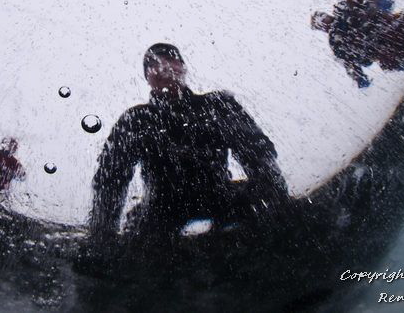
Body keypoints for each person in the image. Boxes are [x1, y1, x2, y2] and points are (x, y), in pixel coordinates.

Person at [88, 44, 290, 239]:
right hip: (160, 207)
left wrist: (279, 201)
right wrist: (102, 235)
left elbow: (257, 151)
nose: (162, 66)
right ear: (147, 78)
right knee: (137, 228)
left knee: (265, 201)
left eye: (170, 59)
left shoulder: (217, 105)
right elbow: (110, 178)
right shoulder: (136, 119)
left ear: (183, 68)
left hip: (218, 194)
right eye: (152, 64)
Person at [311, 0, 404, 88]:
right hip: (379, 48)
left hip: (387, 29)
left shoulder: (344, 11)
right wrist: (358, 76)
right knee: (394, 54)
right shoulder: (336, 41)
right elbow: (349, 62)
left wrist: (377, 0)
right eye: (321, 22)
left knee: (403, 33)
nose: (324, 20)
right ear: (321, 28)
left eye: (323, 17)